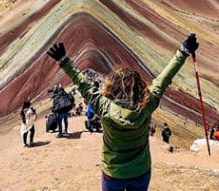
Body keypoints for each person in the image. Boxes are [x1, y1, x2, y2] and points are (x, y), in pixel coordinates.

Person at [47, 33, 199, 191]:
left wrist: (64, 62)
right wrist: (183, 52)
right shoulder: (147, 105)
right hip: (141, 170)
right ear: (139, 87)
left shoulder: (103, 106)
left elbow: (82, 83)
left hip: (113, 172)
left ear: (112, 87)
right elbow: (163, 79)